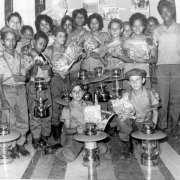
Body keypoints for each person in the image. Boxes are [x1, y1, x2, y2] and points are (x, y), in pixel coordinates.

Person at [43, 80, 107, 162]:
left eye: (79, 91)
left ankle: (83, 149)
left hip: (88, 135)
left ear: (83, 92)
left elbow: (95, 122)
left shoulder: (89, 105)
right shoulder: (67, 108)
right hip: (73, 136)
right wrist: (76, 129)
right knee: (70, 156)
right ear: (70, 94)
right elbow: (66, 130)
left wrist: (101, 120)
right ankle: (57, 149)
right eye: (74, 91)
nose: (77, 94)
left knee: (103, 149)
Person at [0, 27, 30, 157]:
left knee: (23, 118)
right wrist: (3, 99)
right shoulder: (0, 59)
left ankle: (21, 144)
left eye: (13, 40)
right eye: (7, 40)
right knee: (9, 119)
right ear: (2, 42)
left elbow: (27, 75)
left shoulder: (20, 56)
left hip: (20, 90)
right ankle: (11, 146)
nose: (11, 42)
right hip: (7, 91)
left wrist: (24, 78)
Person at [117, 68, 159, 159]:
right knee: (121, 118)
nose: (134, 83)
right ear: (128, 83)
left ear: (143, 80)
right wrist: (121, 104)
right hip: (133, 123)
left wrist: (153, 127)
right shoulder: (127, 95)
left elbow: (155, 112)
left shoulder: (150, 93)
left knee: (149, 149)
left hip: (146, 124)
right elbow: (121, 111)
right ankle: (127, 144)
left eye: (137, 80)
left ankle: (138, 138)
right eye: (131, 80)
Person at [153, 0, 180, 135]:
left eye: (167, 10)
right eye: (162, 12)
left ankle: (175, 125)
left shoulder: (179, 28)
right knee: (163, 99)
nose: (165, 14)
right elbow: (153, 50)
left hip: (177, 67)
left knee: (176, 98)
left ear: (172, 11)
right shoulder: (157, 30)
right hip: (162, 67)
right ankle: (163, 126)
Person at [27, 31, 53, 149]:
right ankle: (36, 137)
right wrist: (36, 65)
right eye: (40, 43)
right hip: (35, 86)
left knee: (48, 110)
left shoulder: (45, 57)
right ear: (33, 42)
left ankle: (45, 136)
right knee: (35, 112)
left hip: (46, 86)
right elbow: (28, 75)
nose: (42, 46)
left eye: (44, 45)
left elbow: (51, 74)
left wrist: (48, 68)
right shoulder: (28, 56)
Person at [45, 26, 68, 140]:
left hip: (65, 78)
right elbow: (47, 66)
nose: (63, 38)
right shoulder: (49, 49)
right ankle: (55, 125)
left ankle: (63, 124)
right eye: (60, 36)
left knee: (65, 101)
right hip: (55, 79)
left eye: (64, 36)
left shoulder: (66, 49)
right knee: (56, 102)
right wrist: (58, 71)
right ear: (54, 37)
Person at [123, 12, 158, 89]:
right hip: (130, 72)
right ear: (131, 27)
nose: (137, 28)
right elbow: (127, 58)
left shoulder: (149, 40)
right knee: (128, 98)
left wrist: (144, 61)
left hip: (144, 73)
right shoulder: (127, 41)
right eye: (134, 26)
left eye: (140, 26)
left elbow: (154, 59)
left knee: (145, 97)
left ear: (143, 26)